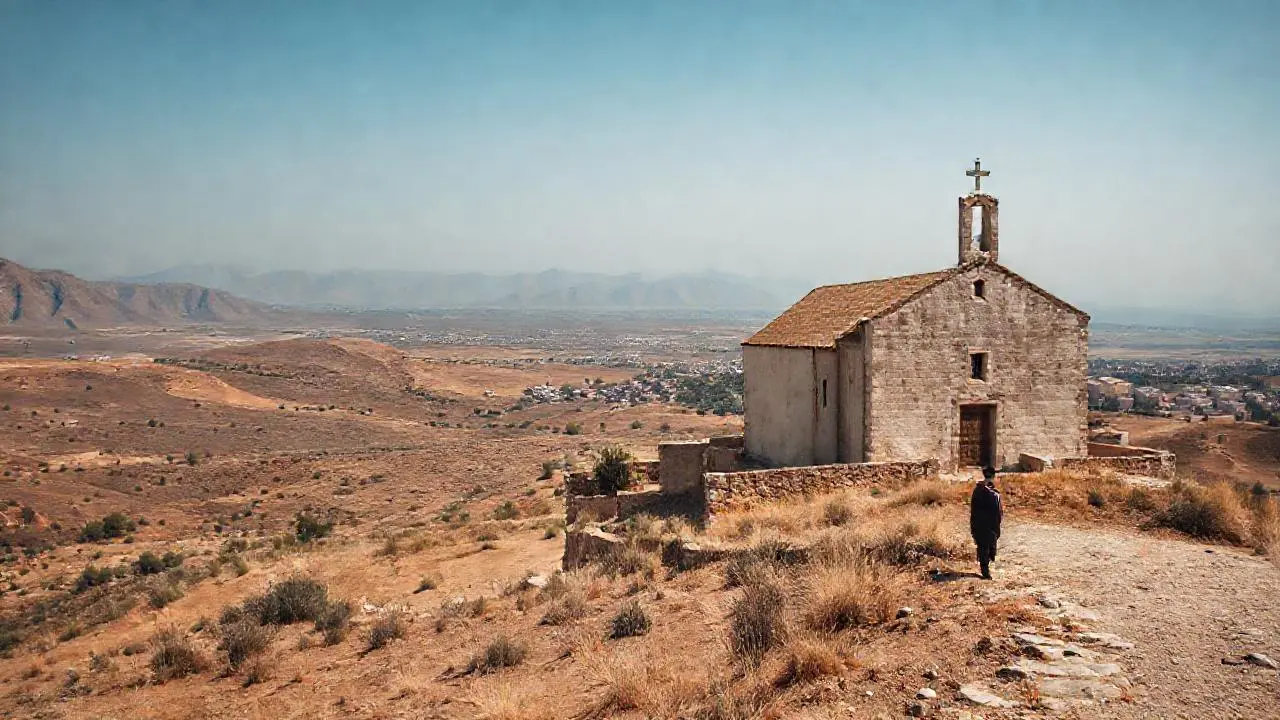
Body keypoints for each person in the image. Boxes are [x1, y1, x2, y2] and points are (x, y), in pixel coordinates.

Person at [969, 466, 1003, 579]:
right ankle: (985, 572)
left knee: (989, 548)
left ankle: (986, 568)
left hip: (989, 525)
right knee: (984, 548)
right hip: (984, 524)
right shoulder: (983, 491)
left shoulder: (987, 491)